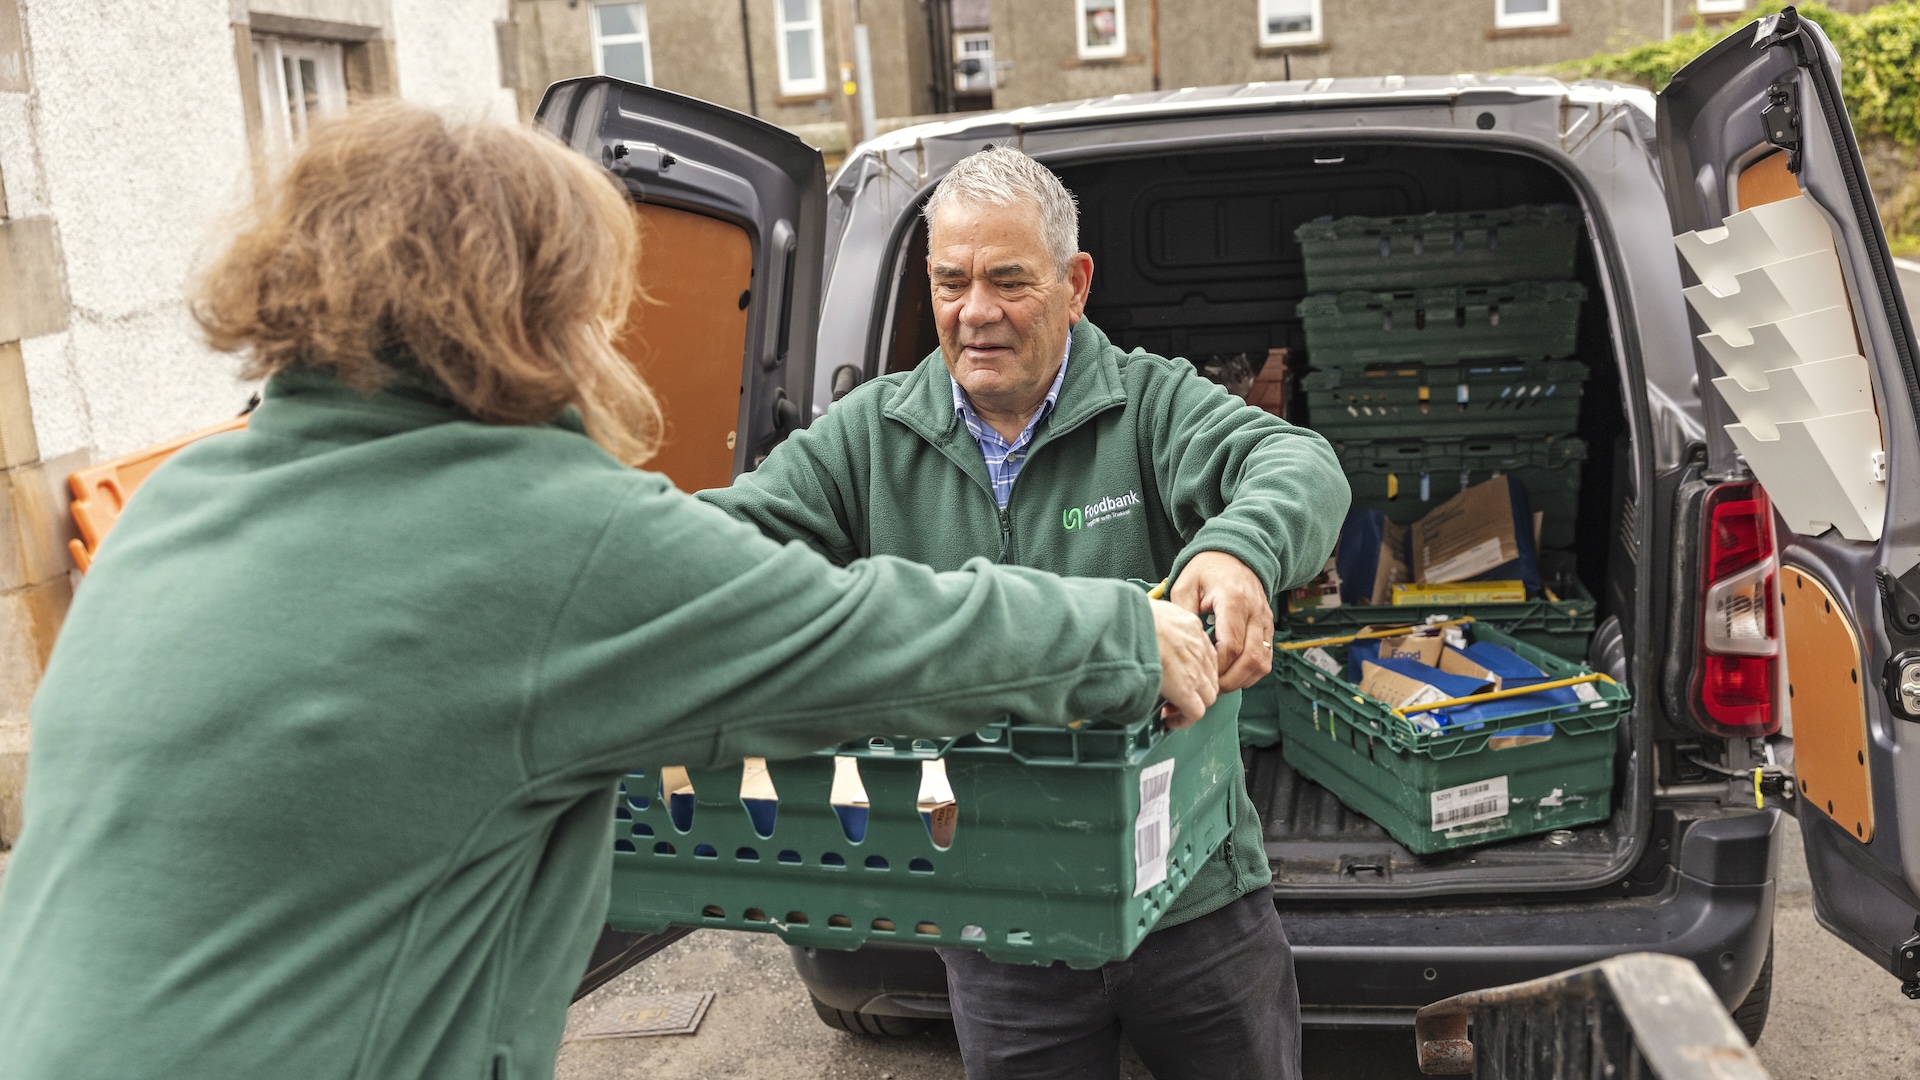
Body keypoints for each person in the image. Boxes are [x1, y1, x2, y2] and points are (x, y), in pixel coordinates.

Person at [0, 104, 1226, 1080]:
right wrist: (1125, 631)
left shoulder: (177, 505)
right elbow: (872, 637)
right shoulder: (542, 538)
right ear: (536, 308)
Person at [701, 145, 1351, 1079]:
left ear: (1075, 285)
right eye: (951, 282)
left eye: (1009, 281)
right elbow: (723, 546)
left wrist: (1240, 548)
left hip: (1191, 898)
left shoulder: (1147, 403)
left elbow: (1297, 463)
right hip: (994, 907)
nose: (975, 312)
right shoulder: (869, 437)